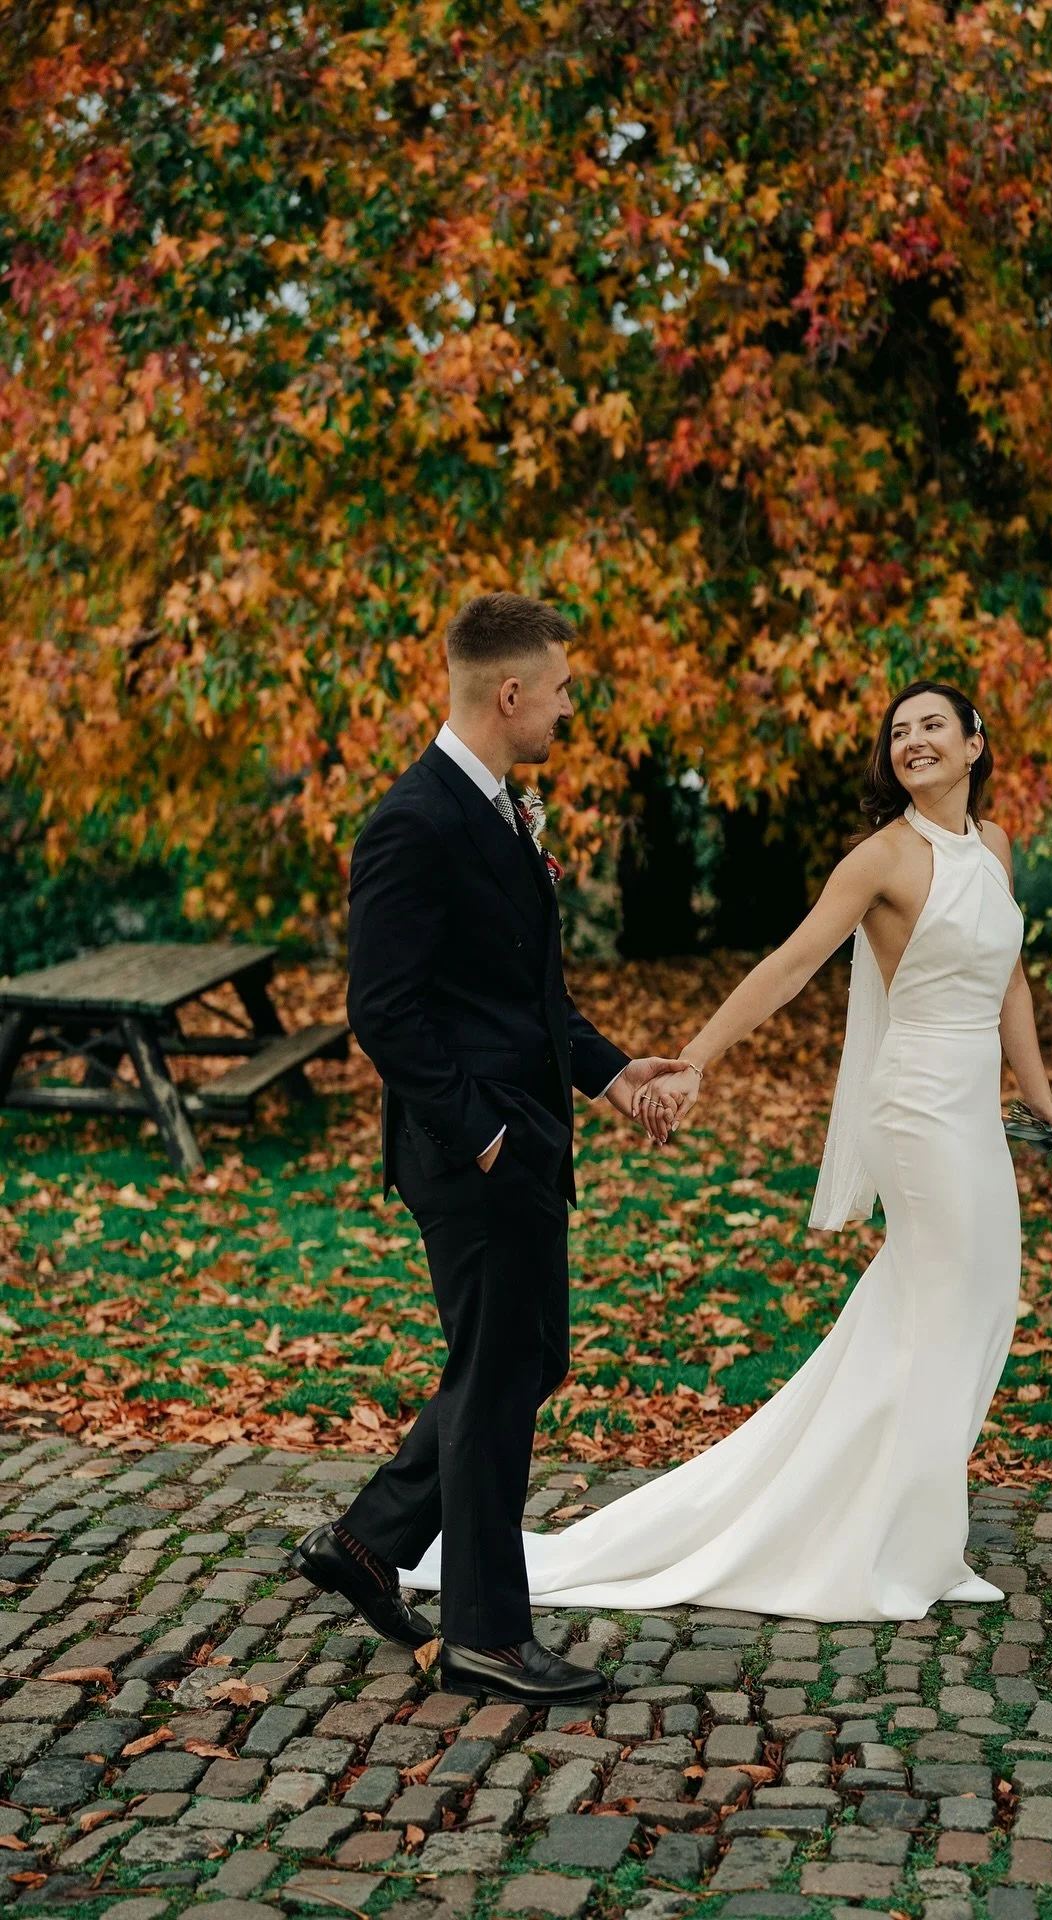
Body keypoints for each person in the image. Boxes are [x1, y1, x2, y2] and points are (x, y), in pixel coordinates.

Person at [401, 680, 1052, 1621]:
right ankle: (893, 1547)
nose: (914, 742)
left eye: (934, 726)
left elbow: (1009, 975)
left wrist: (1042, 1095)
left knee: (970, 1306)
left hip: (971, 1111)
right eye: (899, 733)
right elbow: (791, 963)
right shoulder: (884, 858)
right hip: (916, 1112)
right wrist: (695, 1062)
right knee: (947, 1302)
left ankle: (927, 1531)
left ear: (976, 742)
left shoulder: (996, 849)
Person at [290, 593, 684, 1707]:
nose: (568, 704)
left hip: (527, 1141)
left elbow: (529, 994)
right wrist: (488, 1138)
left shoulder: (504, 809)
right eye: (559, 688)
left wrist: (612, 1075)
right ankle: (486, 1638)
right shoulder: (413, 822)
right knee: (503, 1369)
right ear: (508, 694)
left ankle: (369, 1543)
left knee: (522, 1360)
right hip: (475, 1157)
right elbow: (385, 1011)